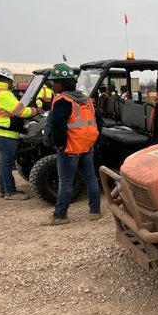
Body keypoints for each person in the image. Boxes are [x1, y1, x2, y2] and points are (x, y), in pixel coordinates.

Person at [42, 63, 101, 225]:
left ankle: (60, 215)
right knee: (90, 178)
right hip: (87, 146)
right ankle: (95, 211)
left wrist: (59, 145)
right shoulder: (86, 99)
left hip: (70, 148)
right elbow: (97, 121)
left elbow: (59, 127)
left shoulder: (62, 100)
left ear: (63, 83)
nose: (52, 85)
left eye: (55, 82)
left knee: (66, 183)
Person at [0, 67, 39, 200]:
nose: (10, 83)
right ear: (4, 79)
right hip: (5, 132)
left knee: (4, 162)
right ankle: (10, 192)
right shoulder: (3, 93)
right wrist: (35, 111)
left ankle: (4, 190)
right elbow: (21, 111)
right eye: (9, 80)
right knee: (6, 163)